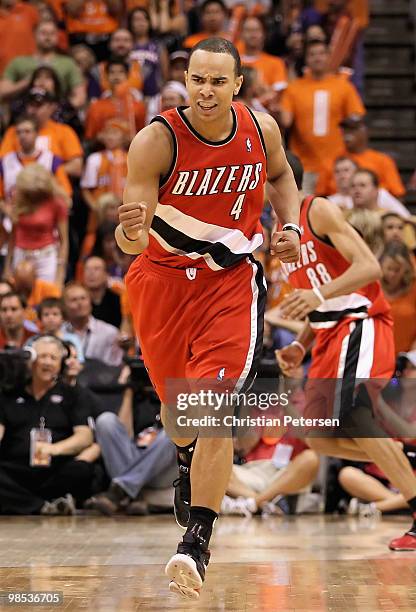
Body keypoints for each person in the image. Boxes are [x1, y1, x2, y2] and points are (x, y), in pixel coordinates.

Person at [116, 37, 300, 599]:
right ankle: (185, 454)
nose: (207, 90)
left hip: (231, 283)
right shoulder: (156, 140)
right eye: (198, 78)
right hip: (162, 284)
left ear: (237, 85)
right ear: (185, 79)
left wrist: (288, 227)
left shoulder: (259, 128)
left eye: (219, 81)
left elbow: (283, 180)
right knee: (180, 415)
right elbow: (131, 240)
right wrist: (127, 230)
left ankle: (196, 541)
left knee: (215, 406)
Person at [276, 153, 416, 552]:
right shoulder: (275, 229)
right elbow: (313, 293)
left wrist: (317, 295)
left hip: (361, 321)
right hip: (327, 334)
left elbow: (369, 267)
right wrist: (302, 342)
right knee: (317, 437)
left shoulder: (316, 210)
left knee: (356, 414)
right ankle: (403, 452)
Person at [0, 335, 94, 515]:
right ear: (31, 360)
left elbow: (85, 436)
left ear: (61, 364)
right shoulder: (9, 393)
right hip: (16, 470)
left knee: (82, 469)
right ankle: (44, 506)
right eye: (42, 356)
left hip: (55, 469)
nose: (47, 362)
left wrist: (54, 449)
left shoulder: (73, 394)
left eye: (53, 358)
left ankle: (25, 503)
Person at [279, 39, 365, 194]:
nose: (317, 58)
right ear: (306, 59)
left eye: (321, 54)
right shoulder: (294, 88)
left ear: (329, 56)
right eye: (312, 54)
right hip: (305, 165)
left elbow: (356, 119)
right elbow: (285, 121)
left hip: (337, 165)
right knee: (304, 211)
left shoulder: (344, 86)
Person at [4, 163, 69, 287]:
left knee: (46, 295)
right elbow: (13, 236)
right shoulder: (19, 199)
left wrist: (60, 273)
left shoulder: (57, 202)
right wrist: (7, 266)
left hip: (46, 256)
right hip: (21, 255)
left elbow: (64, 241)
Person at [0, 19, 85, 108]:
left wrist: (61, 110)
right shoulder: (19, 62)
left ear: (57, 36)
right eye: (43, 33)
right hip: (24, 112)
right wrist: (26, 82)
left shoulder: (68, 63)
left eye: (52, 33)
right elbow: (2, 91)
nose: (48, 37)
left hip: (56, 112)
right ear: (34, 35)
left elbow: (80, 96)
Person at [0, 87, 83, 179]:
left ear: (51, 107)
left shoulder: (64, 131)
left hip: (52, 184)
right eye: (30, 105)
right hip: (18, 184)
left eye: (38, 105)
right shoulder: (14, 131)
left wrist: (48, 172)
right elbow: (3, 164)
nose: (33, 110)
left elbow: (77, 167)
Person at [0, 114, 72, 201]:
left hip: (44, 212)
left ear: (37, 133)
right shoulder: (5, 162)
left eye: (27, 131)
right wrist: (8, 210)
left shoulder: (52, 160)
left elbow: (66, 194)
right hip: (14, 212)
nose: (22, 136)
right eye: (19, 132)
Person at [340, 115, 405, 199]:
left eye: (353, 130)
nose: (347, 134)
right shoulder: (334, 161)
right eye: (345, 130)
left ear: (365, 132)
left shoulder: (383, 160)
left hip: (377, 208)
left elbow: (398, 194)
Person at [62, 282, 123, 367]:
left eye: (83, 298)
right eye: (74, 300)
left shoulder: (110, 333)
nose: (80, 303)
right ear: (64, 306)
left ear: (90, 302)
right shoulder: (60, 333)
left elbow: (116, 367)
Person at [85, 58, 146, 142]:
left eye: (121, 72)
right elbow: (91, 137)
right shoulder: (96, 107)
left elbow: (143, 136)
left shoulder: (138, 107)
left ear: (128, 76)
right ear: (106, 77)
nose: (116, 76)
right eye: (112, 72)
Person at [328, 157, 410, 217]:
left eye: (346, 170)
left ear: (357, 171)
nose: (341, 175)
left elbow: (404, 216)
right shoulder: (329, 202)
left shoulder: (380, 194)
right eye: (337, 171)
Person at [236, 15, 288, 107]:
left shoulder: (276, 62)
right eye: (248, 30)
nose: (253, 34)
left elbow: (278, 93)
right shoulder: (233, 62)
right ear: (241, 33)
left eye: (256, 30)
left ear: (264, 33)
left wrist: (255, 104)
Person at [380, 241, 416, 355]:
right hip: (377, 357)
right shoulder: (372, 287)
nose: (392, 274)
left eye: (397, 270)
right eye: (389, 268)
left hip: (406, 359)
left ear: (406, 269)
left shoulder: (414, 287)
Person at [11, 259, 61, 323]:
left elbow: (57, 315)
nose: (23, 289)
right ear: (14, 279)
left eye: (26, 284)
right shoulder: (7, 288)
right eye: (20, 284)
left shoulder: (50, 290)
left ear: (35, 278)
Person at [83, 256, 122, 329]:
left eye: (96, 269)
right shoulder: (79, 300)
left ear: (106, 274)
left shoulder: (117, 300)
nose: (91, 273)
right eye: (87, 269)